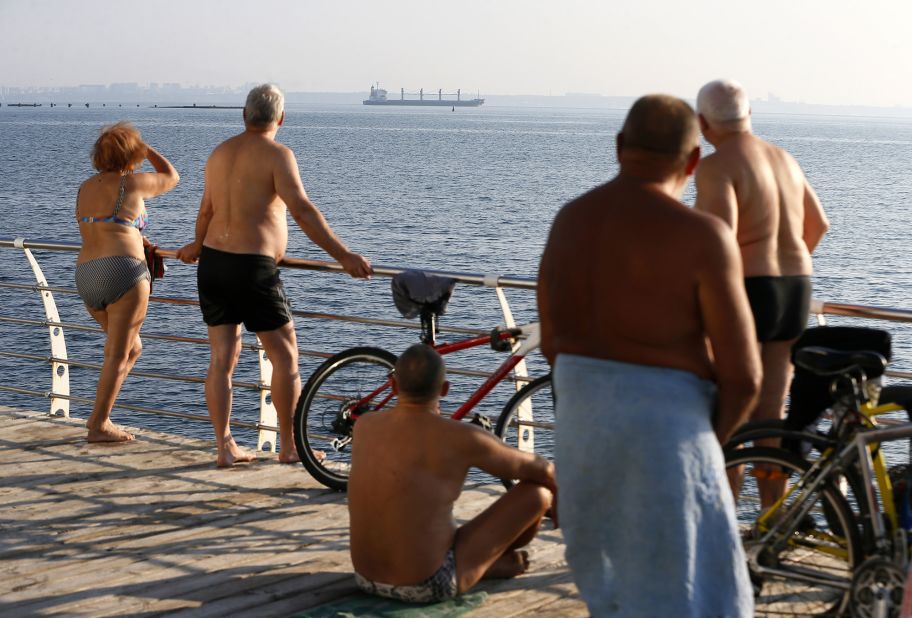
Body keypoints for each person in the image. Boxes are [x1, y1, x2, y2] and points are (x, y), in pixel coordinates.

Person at [538, 95, 761, 616]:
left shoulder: (569, 221)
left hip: (583, 436)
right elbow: (746, 377)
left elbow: (552, 345)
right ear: (692, 162)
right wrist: (704, 444)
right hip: (669, 442)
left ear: (619, 147)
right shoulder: (703, 236)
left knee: (611, 599)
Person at [177, 84, 372, 468]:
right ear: (280, 118)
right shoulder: (278, 155)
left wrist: (196, 245)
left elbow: (205, 211)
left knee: (221, 360)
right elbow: (301, 210)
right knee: (285, 359)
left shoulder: (219, 153)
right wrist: (343, 255)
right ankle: (289, 446)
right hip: (253, 268)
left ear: (244, 115)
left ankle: (224, 446)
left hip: (214, 262)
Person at [695, 79, 829, 504]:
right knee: (771, 414)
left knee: (729, 410)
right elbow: (819, 225)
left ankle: (724, 524)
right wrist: (784, 266)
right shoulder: (784, 159)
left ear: (703, 123)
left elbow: (720, 240)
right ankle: (773, 524)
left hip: (749, 291)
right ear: (749, 115)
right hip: (794, 289)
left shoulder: (716, 167)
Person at [348, 344, 555, 603]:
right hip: (427, 585)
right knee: (537, 494)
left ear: (393, 387)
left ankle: (485, 565)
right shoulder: (460, 437)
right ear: (444, 389)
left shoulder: (365, 425)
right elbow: (543, 470)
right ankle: (483, 564)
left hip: (364, 578)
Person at [75, 122, 180, 442]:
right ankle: (98, 424)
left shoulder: (86, 187)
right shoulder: (132, 183)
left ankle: (100, 418)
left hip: (87, 274)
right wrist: (144, 148)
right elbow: (172, 176)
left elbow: (112, 224)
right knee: (117, 353)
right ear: (132, 154)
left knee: (131, 348)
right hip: (124, 271)